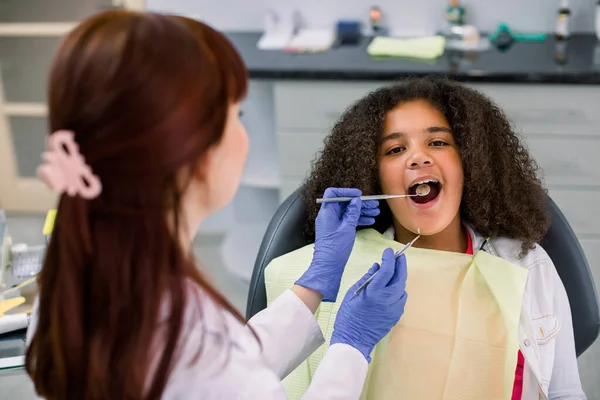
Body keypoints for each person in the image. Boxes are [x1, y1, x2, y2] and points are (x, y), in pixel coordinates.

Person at [24, 10, 408, 399]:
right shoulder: (186, 338)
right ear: (190, 151)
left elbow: (227, 364)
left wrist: (316, 282)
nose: (244, 135)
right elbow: (217, 370)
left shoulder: (76, 276)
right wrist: (351, 345)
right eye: (235, 114)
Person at [289, 77, 585, 399]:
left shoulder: (529, 267)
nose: (418, 158)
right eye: (396, 149)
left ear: (470, 162)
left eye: (438, 143)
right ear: (373, 176)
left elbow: (565, 392)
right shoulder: (347, 278)